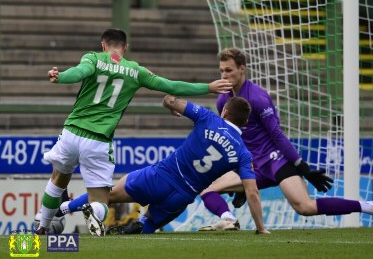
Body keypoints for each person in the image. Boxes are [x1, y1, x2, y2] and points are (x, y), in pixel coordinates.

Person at [35, 28, 234, 236]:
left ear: (103, 45)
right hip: (98, 140)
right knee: (101, 200)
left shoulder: (93, 58)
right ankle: (92, 210)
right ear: (125, 47)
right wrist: (208, 87)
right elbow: (171, 85)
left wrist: (61, 77)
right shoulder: (136, 71)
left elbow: (79, 72)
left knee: (57, 180)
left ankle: (42, 227)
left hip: (71, 132)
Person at [198, 47, 373, 231]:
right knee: (207, 188)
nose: (224, 75)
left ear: (242, 69)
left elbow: (277, 134)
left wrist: (303, 167)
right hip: (252, 166)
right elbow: (235, 137)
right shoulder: (222, 100)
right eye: (222, 71)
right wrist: (236, 170)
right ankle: (229, 220)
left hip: (276, 160)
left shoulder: (258, 98)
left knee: (305, 207)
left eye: (229, 70)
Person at [58, 95, 270, 234]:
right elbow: (252, 192)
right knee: (149, 225)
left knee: (108, 194)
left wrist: (172, 107)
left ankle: (62, 209)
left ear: (225, 112)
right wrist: (260, 228)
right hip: (182, 196)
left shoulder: (208, 117)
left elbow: (169, 100)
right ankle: (139, 226)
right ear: (244, 122)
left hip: (160, 176)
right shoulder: (243, 154)